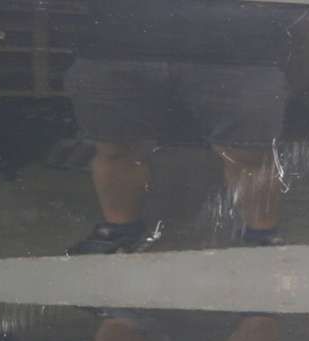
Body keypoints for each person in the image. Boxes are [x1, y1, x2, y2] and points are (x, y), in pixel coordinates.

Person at [64, 0, 294, 255]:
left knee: (250, 154)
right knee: (116, 148)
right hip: (115, 40)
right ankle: (120, 230)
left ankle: (261, 237)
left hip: (241, 45)